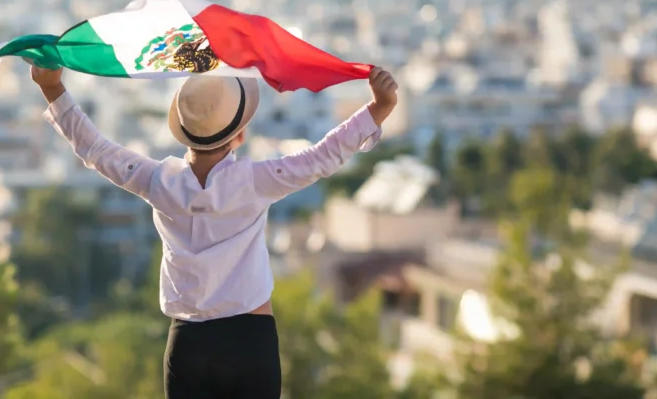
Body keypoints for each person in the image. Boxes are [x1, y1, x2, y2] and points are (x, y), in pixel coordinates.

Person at [32, 65, 399, 399]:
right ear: (238, 135)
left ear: (184, 131)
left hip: (187, 343)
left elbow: (95, 149)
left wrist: (53, 88)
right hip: (249, 340)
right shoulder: (256, 181)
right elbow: (324, 155)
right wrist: (378, 108)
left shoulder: (158, 181)